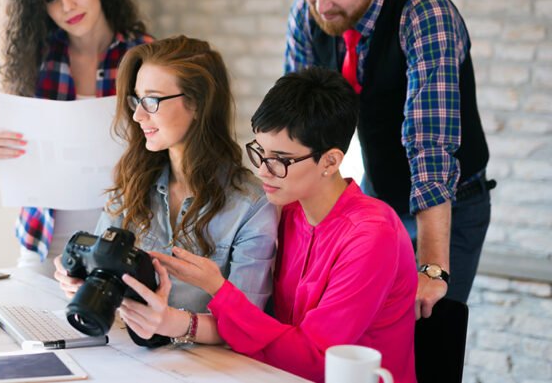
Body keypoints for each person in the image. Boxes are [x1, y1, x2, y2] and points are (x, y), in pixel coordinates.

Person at [284, 0, 494, 316]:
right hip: (381, 195)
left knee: (427, 335)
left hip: (450, 205)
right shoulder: (306, 16)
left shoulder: (425, 15)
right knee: (363, 327)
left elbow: (429, 145)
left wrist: (431, 267)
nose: (321, 5)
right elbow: (299, 128)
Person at [153, 68, 418, 382]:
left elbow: (315, 359)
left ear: (330, 161)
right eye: (260, 152)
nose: (263, 171)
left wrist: (218, 289)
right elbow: (270, 327)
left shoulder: (372, 236)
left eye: (280, 159)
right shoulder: (289, 211)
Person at [54, 35, 278, 346]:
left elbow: (247, 323)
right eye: (137, 100)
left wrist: (174, 324)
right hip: (128, 352)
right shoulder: (133, 179)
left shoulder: (251, 205)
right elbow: (102, 269)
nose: (138, 115)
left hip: (207, 364)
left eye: (152, 100)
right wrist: (82, 281)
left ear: (197, 104)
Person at [0, 0, 152, 277]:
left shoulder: (144, 56)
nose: (67, 6)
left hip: (125, 239)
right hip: (44, 240)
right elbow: (25, 147)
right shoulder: (34, 59)